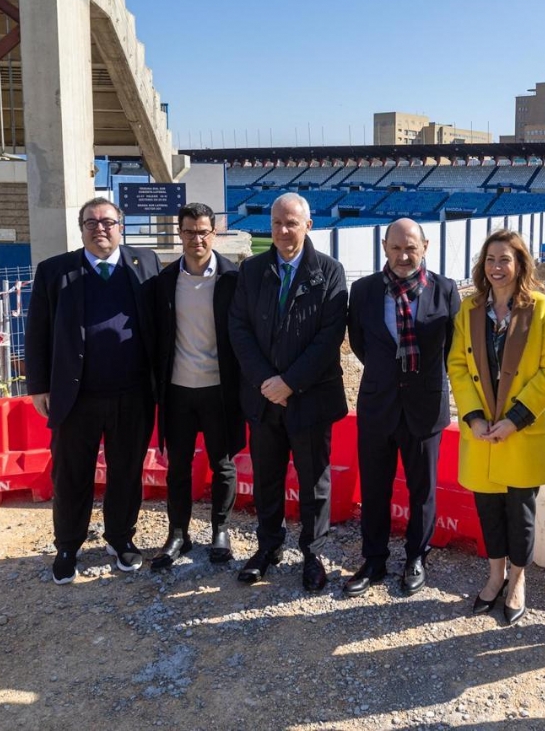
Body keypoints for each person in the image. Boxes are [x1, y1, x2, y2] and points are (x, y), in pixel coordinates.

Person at [25, 197, 160, 583]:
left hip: (132, 395)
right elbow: (36, 333)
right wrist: (38, 387)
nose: (100, 228)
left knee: (126, 471)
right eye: (91, 222)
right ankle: (68, 545)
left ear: (122, 225)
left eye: (108, 221)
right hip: (75, 397)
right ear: (81, 228)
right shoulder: (55, 270)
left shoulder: (145, 263)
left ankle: (121, 539)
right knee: (71, 475)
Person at [228, 193, 348, 590]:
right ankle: (268, 547)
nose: (282, 230)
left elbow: (330, 337)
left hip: (310, 397)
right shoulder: (252, 271)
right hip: (264, 399)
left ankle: (314, 554)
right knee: (267, 477)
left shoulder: (329, 272)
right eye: (277, 222)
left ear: (308, 225)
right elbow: (239, 329)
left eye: (291, 223)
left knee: (314, 482)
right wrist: (268, 382)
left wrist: (290, 382)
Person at [448, 229, 545, 626]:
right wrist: (474, 417)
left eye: (505, 260)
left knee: (521, 512)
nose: (497, 268)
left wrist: (514, 420)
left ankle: (518, 580)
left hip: (521, 432)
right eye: (490, 260)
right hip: (482, 432)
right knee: (489, 510)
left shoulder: (542, 309)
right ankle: (494, 574)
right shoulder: (470, 309)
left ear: (520, 265)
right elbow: (458, 366)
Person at [344, 218, 460, 597]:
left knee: (422, 490)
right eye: (396, 248)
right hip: (378, 405)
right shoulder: (362, 291)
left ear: (425, 245)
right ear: (384, 247)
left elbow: (454, 349)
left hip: (425, 408)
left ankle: (416, 557)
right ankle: (373, 559)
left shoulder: (445, 290)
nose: (403, 255)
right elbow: (361, 344)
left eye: (411, 247)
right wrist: (389, 375)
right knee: (374, 488)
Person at [150, 203, 244, 570]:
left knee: (223, 464)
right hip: (177, 390)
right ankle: (178, 533)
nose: (197, 238)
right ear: (180, 234)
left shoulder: (233, 279)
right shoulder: (164, 281)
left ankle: (221, 530)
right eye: (189, 232)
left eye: (203, 231)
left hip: (220, 389)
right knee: (178, 467)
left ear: (214, 233)